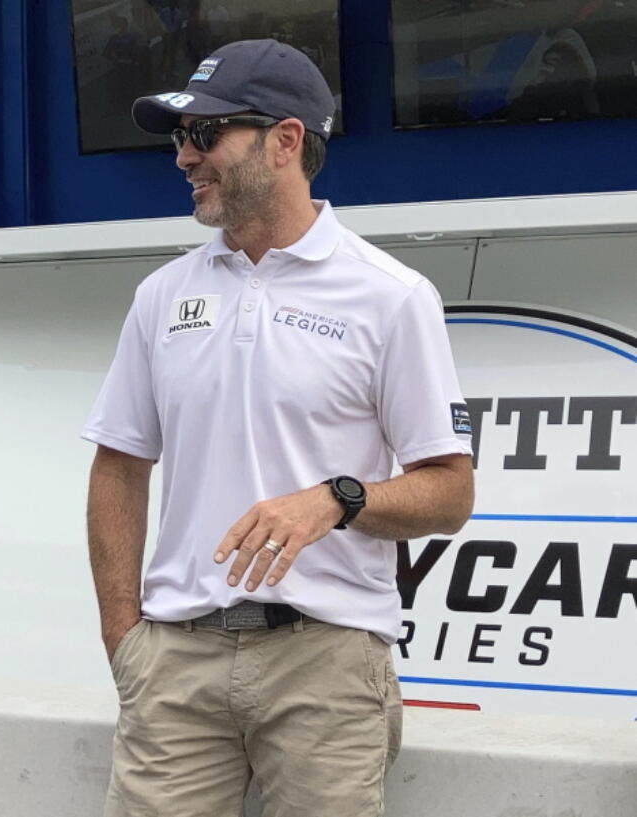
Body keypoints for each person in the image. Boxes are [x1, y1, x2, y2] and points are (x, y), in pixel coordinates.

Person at [83, 39, 475, 817]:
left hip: (326, 664)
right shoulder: (161, 296)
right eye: (178, 138)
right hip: (175, 664)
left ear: (286, 140)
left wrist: (337, 499)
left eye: (204, 135)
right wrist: (124, 638)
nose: (183, 158)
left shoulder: (392, 295)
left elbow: (450, 492)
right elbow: (119, 468)